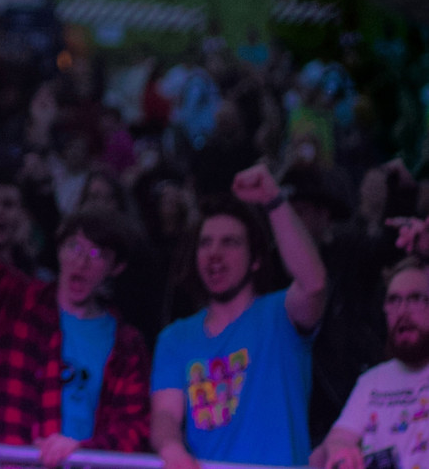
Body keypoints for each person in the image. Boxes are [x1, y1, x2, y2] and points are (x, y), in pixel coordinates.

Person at [0, 137, 151, 463]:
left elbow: (135, 428)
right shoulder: (20, 304)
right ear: (59, 250)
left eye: (96, 254)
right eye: (74, 248)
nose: (81, 262)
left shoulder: (127, 344)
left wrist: (84, 448)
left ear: (114, 267)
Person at [151, 162, 329, 469]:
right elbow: (165, 414)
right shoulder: (175, 338)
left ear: (256, 259)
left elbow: (314, 284)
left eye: (229, 242)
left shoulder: (280, 315)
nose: (214, 253)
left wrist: (273, 199)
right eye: (205, 243)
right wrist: (172, 449)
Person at [321, 257, 429, 469]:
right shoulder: (372, 380)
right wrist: (343, 452)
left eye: (415, 298)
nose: (402, 311)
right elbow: (339, 438)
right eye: (394, 300)